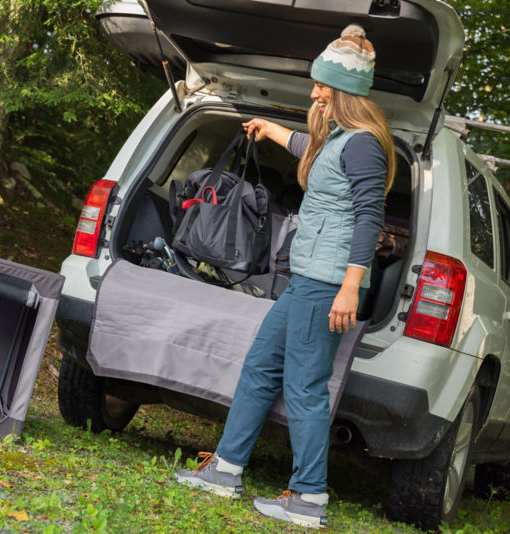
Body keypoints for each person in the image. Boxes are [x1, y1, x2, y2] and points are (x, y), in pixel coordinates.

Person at [174, 23, 396, 529]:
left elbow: (368, 217)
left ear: (345, 92)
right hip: (306, 278)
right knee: (259, 368)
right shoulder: (339, 139)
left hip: (327, 283)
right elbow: (314, 156)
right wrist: (271, 129)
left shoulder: (363, 144)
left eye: (322, 85)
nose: (314, 91)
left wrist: (348, 288)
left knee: (305, 388)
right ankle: (226, 469)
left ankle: (309, 497)